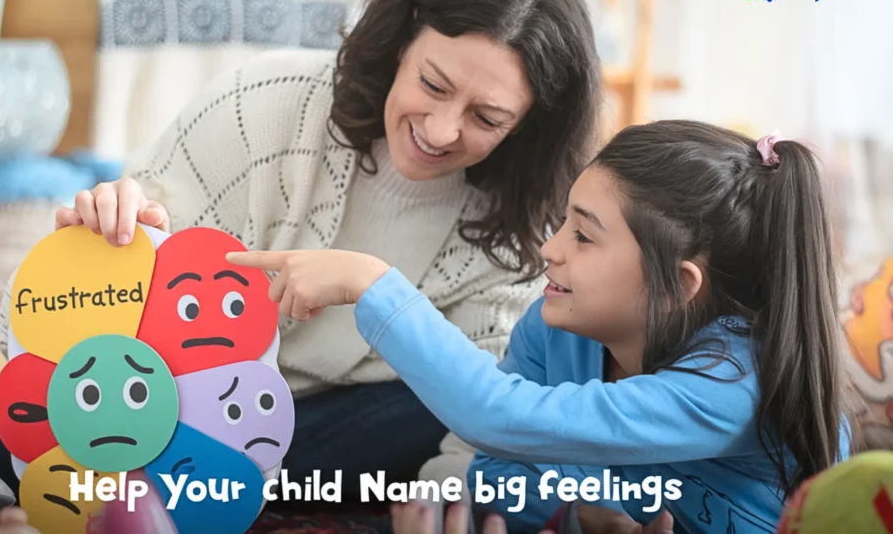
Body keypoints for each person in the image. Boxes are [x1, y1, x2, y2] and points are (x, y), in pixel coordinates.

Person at [0, 0, 601, 499]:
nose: (441, 130)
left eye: (487, 118)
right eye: (433, 86)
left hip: (326, 433)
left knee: (436, 394)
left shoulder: (529, 228)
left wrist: (448, 503)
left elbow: (480, 404)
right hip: (158, 393)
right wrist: (114, 225)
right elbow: (152, 218)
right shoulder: (272, 100)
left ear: (530, 127)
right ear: (404, 41)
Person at [226, 120, 856, 532]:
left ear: (677, 287)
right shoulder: (552, 330)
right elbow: (481, 468)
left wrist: (370, 285)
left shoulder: (735, 379)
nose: (550, 251)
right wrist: (580, 508)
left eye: (583, 236)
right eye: (563, 223)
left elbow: (497, 418)